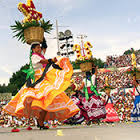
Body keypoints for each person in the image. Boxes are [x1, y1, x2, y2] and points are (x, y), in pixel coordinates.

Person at [3, 43, 79, 130]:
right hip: (37, 80)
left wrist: (42, 38)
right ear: (33, 49)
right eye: (37, 48)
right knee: (44, 101)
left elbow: (45, 48)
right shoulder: (34, 56)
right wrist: (52, 60)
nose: (39, 49)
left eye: (40, 47)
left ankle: (40, 122)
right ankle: (40, 122)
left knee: (47, 101)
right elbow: (44, 61)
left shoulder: (40, 55)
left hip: (43, 78)